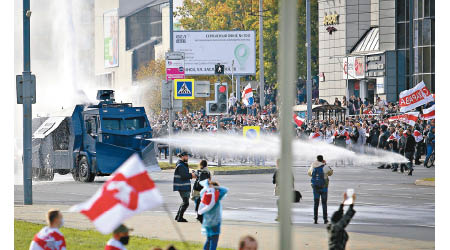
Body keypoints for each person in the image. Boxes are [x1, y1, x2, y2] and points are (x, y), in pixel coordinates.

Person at [198, 180, 228, 250]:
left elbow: (202, 192)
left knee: (208, 240)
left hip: (207, 222)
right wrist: (216, 188)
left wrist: (207, 187)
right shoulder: (216, 196)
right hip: (215, 222)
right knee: (214, 241)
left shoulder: (204, 194)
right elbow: (225, 190)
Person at [308, 155, 333, 224]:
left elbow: (309, 174)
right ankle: (325, 219)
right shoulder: (325, 166)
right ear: (322, 160)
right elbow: (331, 173)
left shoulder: (313, 166)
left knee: (316, 203)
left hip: (315, 188)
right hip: (324, 188)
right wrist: (326, 165)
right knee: (324, 203)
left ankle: (315, 219)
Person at [173, 151, 197, 222]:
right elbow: (183, 176)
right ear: (182, 156)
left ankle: (178, 216)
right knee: (186, 203)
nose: (187, 158)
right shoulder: (180, 165)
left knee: (184, 202)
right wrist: (192, 175)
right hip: (182, 187)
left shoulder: (182, 164)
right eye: (186, 156)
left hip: (184, 186)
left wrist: (191, 174)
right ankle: (180, 218)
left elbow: (184, 174)